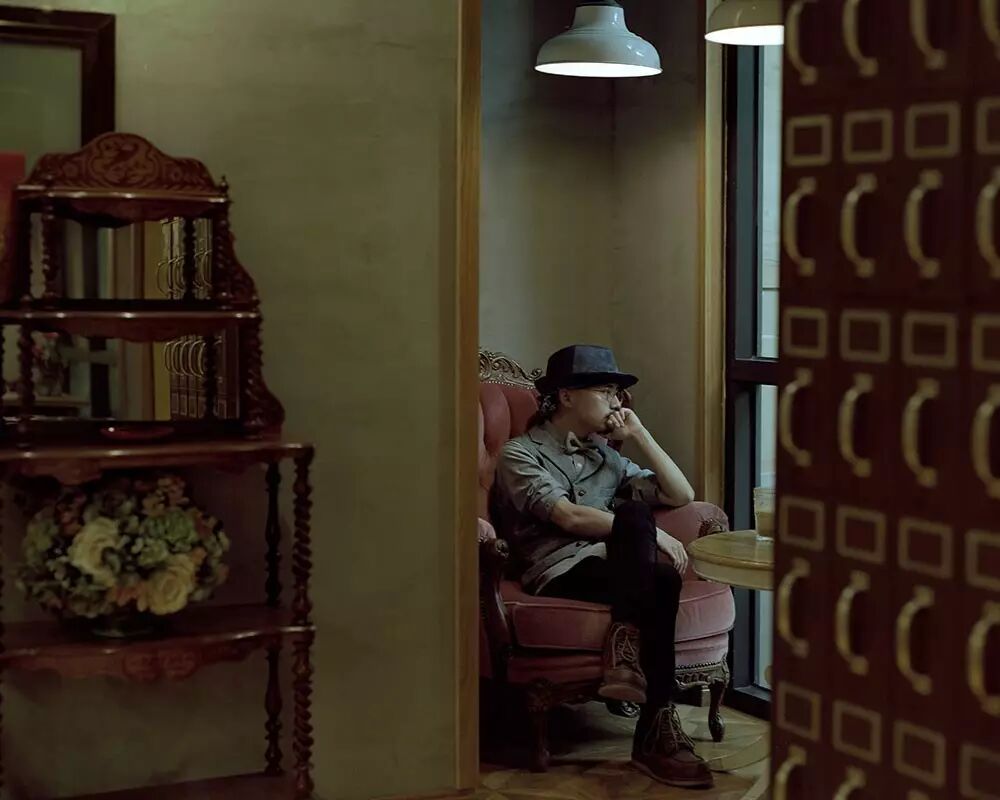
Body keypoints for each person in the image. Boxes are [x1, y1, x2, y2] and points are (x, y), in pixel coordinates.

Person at [492, 344, 713, 789]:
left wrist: (640, 434)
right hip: (557, 569)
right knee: (640, 531)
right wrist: (655, 535)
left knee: (659, 572)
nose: (616, 401)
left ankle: (632, 672)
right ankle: (656, 731)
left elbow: (681, 494)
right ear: (566, 395)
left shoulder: (606, 456)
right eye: (605, 390)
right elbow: (568, 517)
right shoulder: (520, 454)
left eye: (617, 392)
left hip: (614, 567)